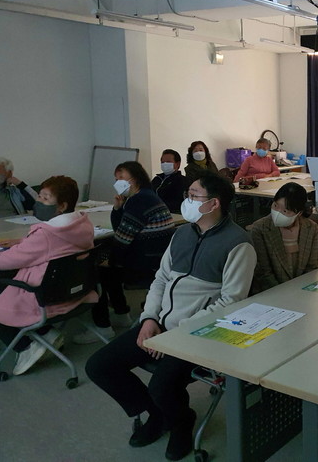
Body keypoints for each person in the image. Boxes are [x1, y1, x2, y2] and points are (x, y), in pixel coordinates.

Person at [86, 171, 256, 461]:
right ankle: (158, 414)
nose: (186, 200)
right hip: (161, 324)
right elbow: (161, 279)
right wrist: (149, 319)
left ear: (214, 203)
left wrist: (177, 335)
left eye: (194, 196)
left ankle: (181, 422)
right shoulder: (182, 234)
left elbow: (231, 302)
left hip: (197, 334)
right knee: (99, 366)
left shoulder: (238, 243)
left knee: (162, 386)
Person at [0, 176, 96, 375]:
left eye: (45, 198)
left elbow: (9, 260)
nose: (38, 201)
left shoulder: (46, 235)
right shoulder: (82, 225)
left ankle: (25, 347)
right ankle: (45, 333)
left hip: (45, 297)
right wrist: (23, 241)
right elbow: (53, 247)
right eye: (39, 196)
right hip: (74, 291)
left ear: (62, 206)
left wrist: (24, 245)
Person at [74, 161, 175, 344]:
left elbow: (122, 239)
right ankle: (121, 314)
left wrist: (111, 261)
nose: (117, 182)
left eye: (121, 177)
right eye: (116, 178)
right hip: (157, 260)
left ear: (135, 178)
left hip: (147, 264)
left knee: (97, 269)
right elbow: (121, 229)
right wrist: (118, 208)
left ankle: (103, 326)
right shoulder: (146, 196)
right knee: (108, 264)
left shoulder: (139, 201)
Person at [250, 182, 318, 293]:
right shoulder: (260, 229)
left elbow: (311, 267)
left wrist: (302, 292)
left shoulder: (311, 228)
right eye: (275, 206)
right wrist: (285, 294)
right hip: (271, 293)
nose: (278, 213)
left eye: (285, 211)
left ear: (299, 213)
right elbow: (263, 273)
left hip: (301, 292)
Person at [151, 149, 186, 214]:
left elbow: (177, 203)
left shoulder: (182, 181)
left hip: (171, 214)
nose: (165, 164)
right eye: (162, 162)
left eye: (168, 162)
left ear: (178, 164)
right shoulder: (157, 179)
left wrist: (157, 205)